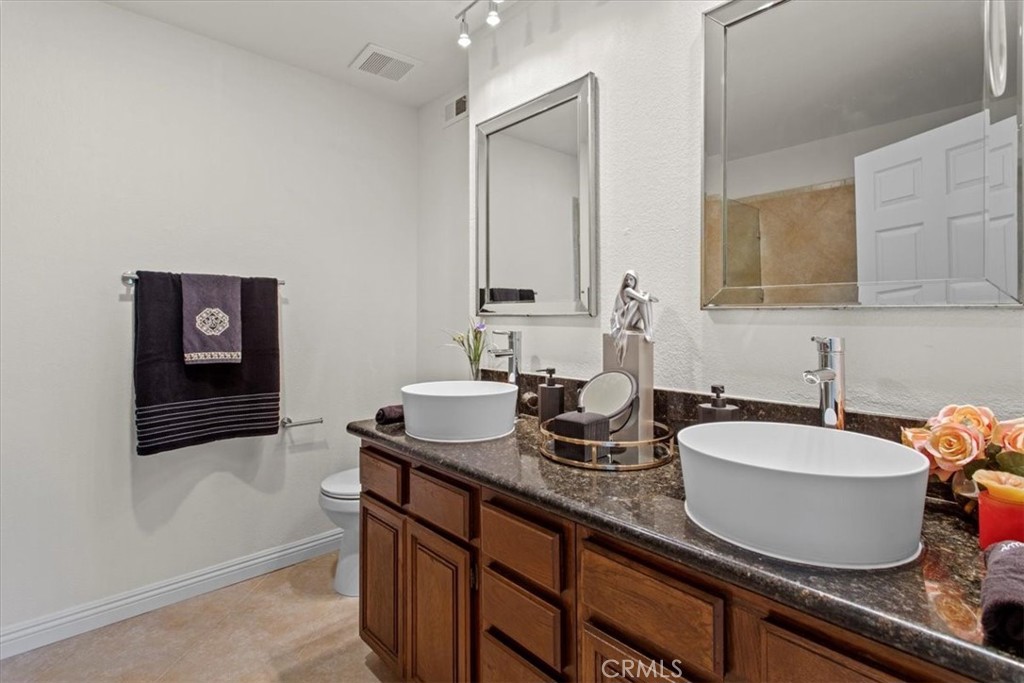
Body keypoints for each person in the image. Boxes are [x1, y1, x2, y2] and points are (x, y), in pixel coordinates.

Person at [610, 270, 658, 365]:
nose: (628, 282)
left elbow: (653, 300)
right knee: (639, 301)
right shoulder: (627, 290)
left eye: (631, 279)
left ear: (636, 280)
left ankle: (648, 328)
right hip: (624, 319)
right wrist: (647, 294)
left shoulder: (636, 291)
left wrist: (645, 295)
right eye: (626, 280)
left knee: (644, 301)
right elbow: (643, 299)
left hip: (631, 318)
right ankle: (648, 328)